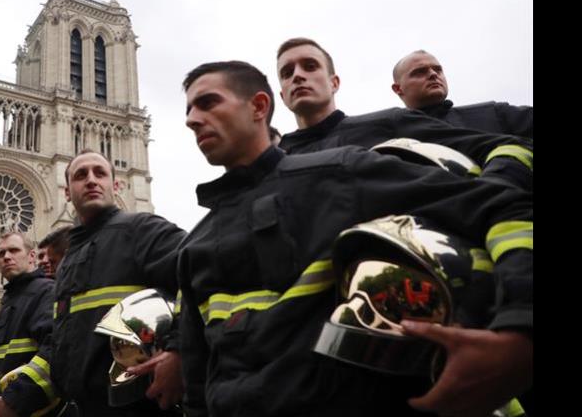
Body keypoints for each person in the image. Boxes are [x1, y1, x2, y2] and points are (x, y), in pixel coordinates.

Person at [178, 60, 532, 416]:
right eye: (189, 109)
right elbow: (197, 382)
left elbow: (506, 208)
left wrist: (519, 329)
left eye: (208, 103)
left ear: (258, 106)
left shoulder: (339, 175)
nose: (192, 118)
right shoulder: (196, 244)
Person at [1, 150, 187, 416]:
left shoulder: (142, 229)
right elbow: (64, 341)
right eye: (80, 175)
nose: (90, 180)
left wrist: (179, 352)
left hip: (140, 405)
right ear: (66, 192)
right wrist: (17, 401)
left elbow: (202, 277)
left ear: (116, 185)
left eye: (99, 173)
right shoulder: (68, 260)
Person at [276, 38, 532, 190]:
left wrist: (492, 189)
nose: (433, 74)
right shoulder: (277, 161)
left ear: (335, 83)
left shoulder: (386, 125)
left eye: (437, 69)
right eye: (287, 73)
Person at [0, 231, 56, 417]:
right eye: (1, 254)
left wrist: (14, 401)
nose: (6, 257)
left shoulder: (45, 291)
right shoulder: (9, 300)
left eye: (14, 250)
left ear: (32, 256)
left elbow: (55, 350)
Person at [392, 49, 533, 138]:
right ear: (398, 89)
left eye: (438, 70)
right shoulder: (388, 137)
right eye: (420, 72)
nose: (433, 74)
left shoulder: (494, 115)